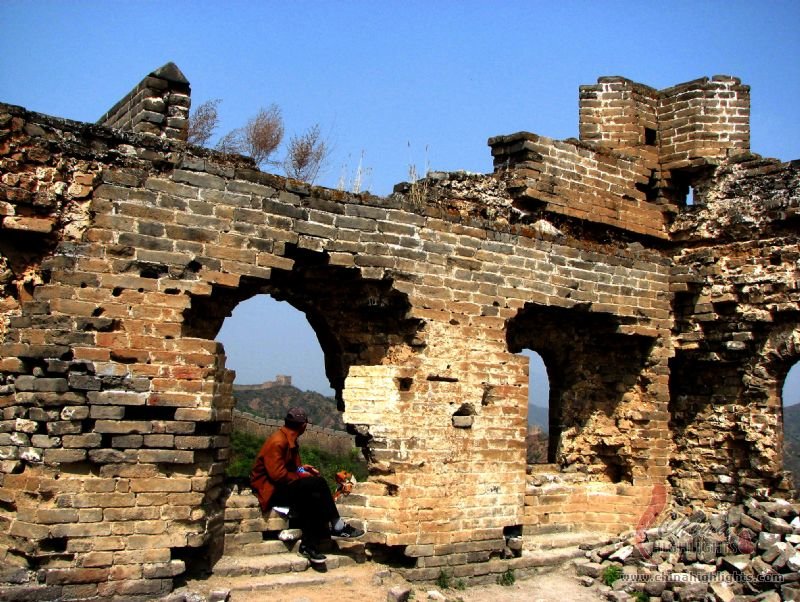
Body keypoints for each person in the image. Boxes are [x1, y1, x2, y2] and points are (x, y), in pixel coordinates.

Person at [249, 406, 364, 563]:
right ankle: (337, 525)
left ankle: (308, 546)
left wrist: (303, 469)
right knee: (318, 483)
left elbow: (289, 468)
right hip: (271, 490)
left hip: (282, 486)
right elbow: (277, 475)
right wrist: (300, 474)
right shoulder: (278, 442)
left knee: (313, 497)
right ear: (303, 426)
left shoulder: (289, 440)